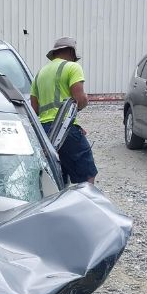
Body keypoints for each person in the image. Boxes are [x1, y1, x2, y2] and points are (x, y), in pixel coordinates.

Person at [30, 37, 97, 184]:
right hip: (65, 129)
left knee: (58, 174)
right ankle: (85, 204)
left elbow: (33, 110)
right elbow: (79, 100)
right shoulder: (72, 67)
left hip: (44, 132)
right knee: (87, 174)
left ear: (54, 54)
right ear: (71, 52)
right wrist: (85, 100)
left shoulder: (39, 74)